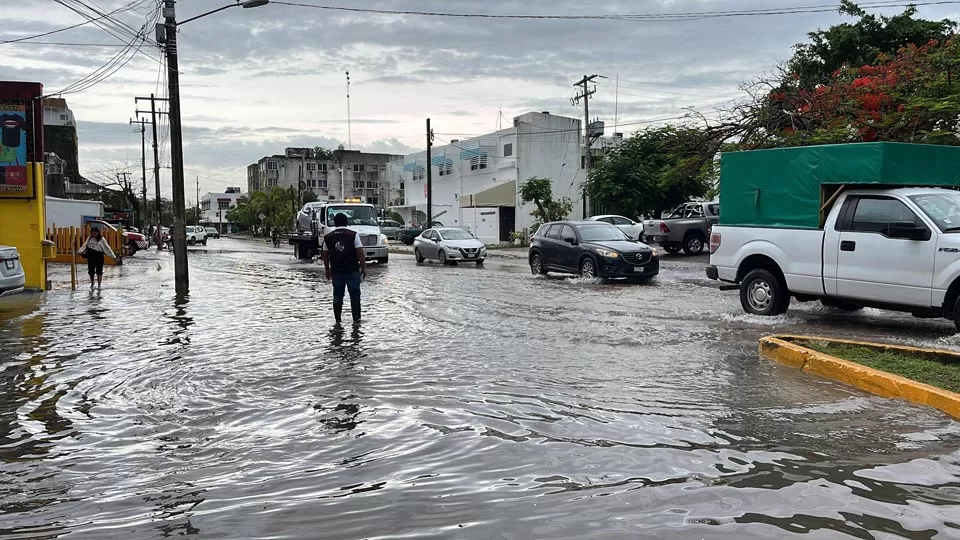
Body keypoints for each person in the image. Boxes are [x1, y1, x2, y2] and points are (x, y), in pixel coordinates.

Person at [322, 212, 367, 324]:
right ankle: (356, 320)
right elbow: (360, 252)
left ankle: (338, 321)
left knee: (337, 296)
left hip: (337, 271)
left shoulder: (328, 237)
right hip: (352, 270)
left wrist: (327, 269)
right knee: (355, 295)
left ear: (335, 223)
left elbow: (325, 255)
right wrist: (364, 267)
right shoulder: (353, 235)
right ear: (346, 222)